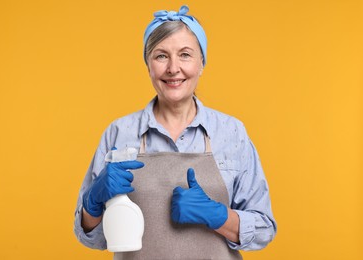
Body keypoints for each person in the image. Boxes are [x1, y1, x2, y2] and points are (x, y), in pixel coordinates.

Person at [74, 5, 277, 259]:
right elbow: (91, 238)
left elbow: (264, 229)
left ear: (202, 62)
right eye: (161, 56)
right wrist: (92, 204)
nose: (173, 68)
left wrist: (218, 216)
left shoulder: (231, 132)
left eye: (185, 55)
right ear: (148, 65)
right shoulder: (118, 133)